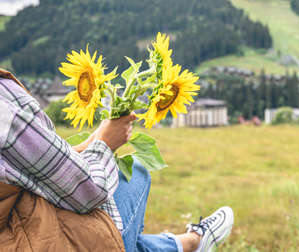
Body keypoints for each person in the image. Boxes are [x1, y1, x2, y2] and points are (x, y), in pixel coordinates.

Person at [0, 69, 233, 252]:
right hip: (32, 239)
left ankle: (191, 242)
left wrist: (91, 141)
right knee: (135, 174)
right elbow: (88, 192)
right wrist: (105, 143)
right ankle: (192, 242)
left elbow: (24, 165)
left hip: (16, 230)